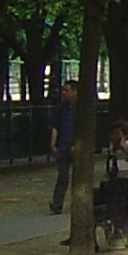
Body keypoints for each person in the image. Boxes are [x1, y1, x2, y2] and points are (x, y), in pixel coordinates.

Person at [48, 78, 83, 213]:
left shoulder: (81, 109)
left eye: (66, 90)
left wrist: (78, 144)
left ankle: (78, 202)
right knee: (62, 177)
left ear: (75, 92)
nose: (63, 93)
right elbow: (55, 126)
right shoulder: (60, 108)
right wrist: (53, 144)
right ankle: (57, 204)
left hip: (75, 146)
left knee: (78, 177)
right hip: (63, 146)